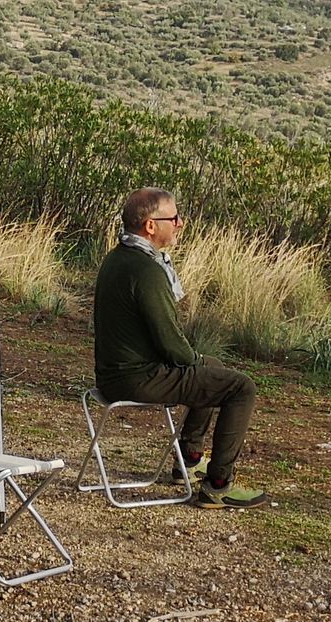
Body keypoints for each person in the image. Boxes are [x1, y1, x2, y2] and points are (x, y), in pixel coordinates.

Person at [92, 187, 269, 509]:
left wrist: (196, 361)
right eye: (173, 218)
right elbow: (172, 344)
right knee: (241, 387)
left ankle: (189, 459)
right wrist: (192, 359)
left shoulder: (119, 257)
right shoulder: (146, 270)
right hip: (136, 379)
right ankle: (218, 485)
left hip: (115, 375)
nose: (180, 223)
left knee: (212, 367)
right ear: (150, 225)